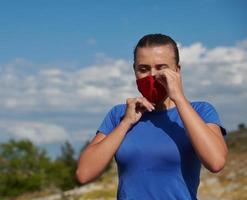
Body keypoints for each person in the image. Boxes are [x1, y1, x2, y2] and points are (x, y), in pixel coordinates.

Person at [76, 33, 228, 200]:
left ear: (177, 70)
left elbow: (216, 162)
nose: (153, 76)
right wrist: (126, 123)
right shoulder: (119, 114)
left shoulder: (200, 111)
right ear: (134, 70)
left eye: (161, 68)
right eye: (144, 69)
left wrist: (179, 98)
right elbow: (84, 174)